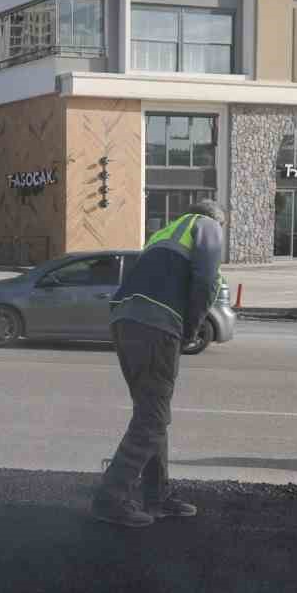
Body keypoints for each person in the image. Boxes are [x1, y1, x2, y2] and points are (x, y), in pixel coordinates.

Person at [93, 198, 225, 528]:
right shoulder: (207, 226)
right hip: (156, 323)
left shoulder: (165, 232)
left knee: (151, 413)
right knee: (152, 417)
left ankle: (157, 496)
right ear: (216, 220)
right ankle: (110, 498)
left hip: (124, 320)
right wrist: (191, 329)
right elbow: (206, 281)